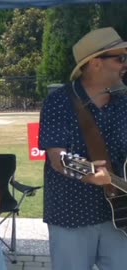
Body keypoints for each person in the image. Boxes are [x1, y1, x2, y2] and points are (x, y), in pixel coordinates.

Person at [39, 27, 127, 270]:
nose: (125, 64)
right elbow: (57, 158)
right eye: (120, 58)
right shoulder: (59, 103)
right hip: (71, 215)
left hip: (120, 216)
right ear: (96, 63)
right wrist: (88, 173)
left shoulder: (124, 102)